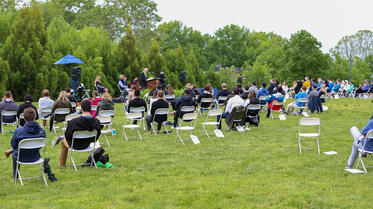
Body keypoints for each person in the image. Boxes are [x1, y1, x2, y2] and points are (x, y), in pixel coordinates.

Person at [52, 99, 101, 167]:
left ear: (81, 108)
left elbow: (68, 135)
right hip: (87, 144)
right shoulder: (97, 122)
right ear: (90, 108)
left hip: (75, 144)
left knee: (64, 141)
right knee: (65, 138)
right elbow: (97, 136)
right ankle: (61, 138)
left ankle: (61, 164)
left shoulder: (74, 122)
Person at [5, 108, 46, 180]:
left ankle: (16, 178)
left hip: (21, 157)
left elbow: (13, 145)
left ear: (24, 118)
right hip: (36, 156)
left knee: (15, 154)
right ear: (35, 117)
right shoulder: (42, 131)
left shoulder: (18, 131)